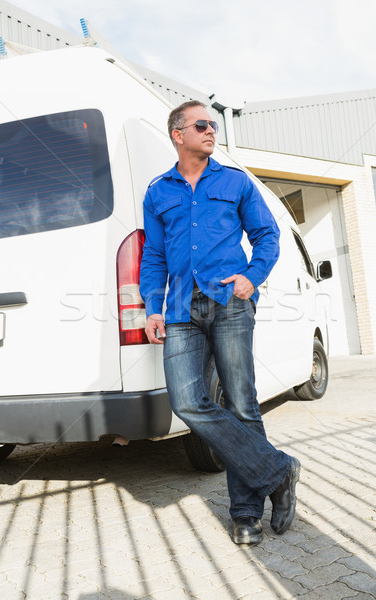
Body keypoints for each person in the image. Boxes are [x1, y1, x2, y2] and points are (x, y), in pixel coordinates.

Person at [139, 100, 300, 544]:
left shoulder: (235, 181)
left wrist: (251, 277)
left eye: (213, 124)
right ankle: (279, 472)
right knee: (187, 401)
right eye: (202, 124)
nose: (212, 131)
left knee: (242, 404)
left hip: (229, 302)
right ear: (178, 134)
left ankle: (246, 514)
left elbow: (267, 234)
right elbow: (153, 255)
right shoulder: (159, 191)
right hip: (178, 310)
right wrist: (152, 306)